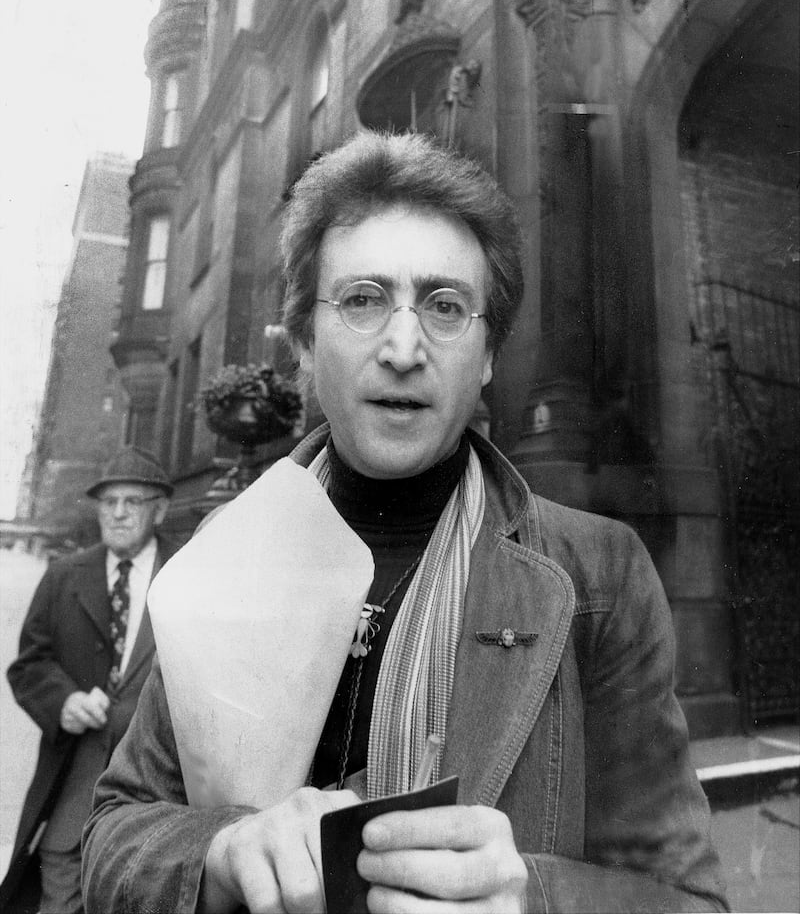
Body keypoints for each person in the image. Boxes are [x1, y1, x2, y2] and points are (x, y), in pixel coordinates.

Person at [82, 132, 728, 913]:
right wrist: (219, 850)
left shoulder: (599, 574)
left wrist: (533, 898)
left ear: (488, 354)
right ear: (305, 344)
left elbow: (691, 902)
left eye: (445, 306)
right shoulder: (223, 557)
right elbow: (113, 833)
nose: (402, 345)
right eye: (362, 300)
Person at [3, 447, 177, 914]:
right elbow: (29, 665)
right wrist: (63, 702)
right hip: (73, 786)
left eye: (132, 502)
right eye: (109, 502)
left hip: (156, 796)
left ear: (158, 509)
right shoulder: (63, 576)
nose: (118, 513)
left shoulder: (186, 574)